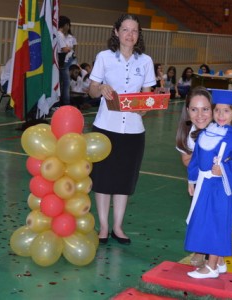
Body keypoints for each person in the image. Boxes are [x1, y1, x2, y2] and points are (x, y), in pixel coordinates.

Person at [88, 14, 156, 245]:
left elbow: (148, 97)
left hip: (134, 131)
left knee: (124, 180)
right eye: (125, 30)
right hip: (106, 128)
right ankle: (104, 226)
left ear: (139, 35)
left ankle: (118, 226)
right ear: (116, 32)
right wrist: (102, 88)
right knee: (103, 179)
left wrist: (145, 109)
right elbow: (92, 90)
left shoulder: (145, 61)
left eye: (134, 31)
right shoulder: (104, 58)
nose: (130, 35)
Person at [175, 86, 232, 268]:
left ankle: (215, 256)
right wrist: (196, 176)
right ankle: (205, 250)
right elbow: (189, 160)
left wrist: (224, 170)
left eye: (206, 109)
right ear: (187, 111)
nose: (200, 115)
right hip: (206, 176)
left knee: (219, 213)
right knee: (203, 212)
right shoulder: (190, 132)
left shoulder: (231, 132)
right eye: (194, 109)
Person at [57, 15, 77, 106]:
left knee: (63, 83)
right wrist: (68, 48)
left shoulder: (66, 36)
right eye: (67, 24)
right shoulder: (59, 34)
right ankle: (65, 103)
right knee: (66, 83)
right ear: (65, 25)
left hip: (65, 60)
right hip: (62, 61)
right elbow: (64, 49)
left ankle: (62, 102)